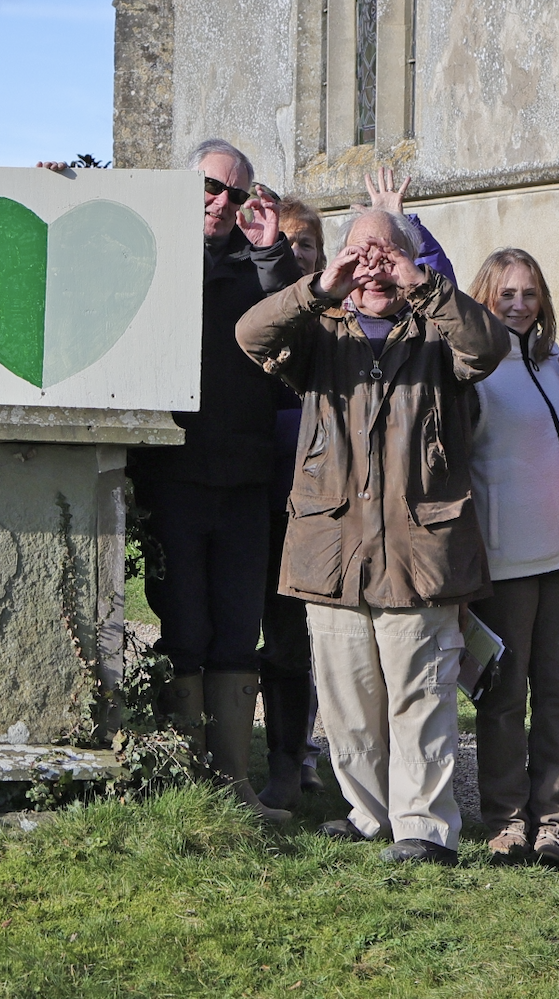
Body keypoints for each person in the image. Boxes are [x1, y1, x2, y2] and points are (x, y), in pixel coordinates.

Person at [237, 208, 511, 863]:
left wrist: (422, 284)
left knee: (421, 697)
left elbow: (489, 347)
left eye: (387, 253)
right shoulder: (318, 334)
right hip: (331, 551)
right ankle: (371, 816)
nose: (374, 266)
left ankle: (424, 829)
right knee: (349, 704)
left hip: (421, 550)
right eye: (361, 252)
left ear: (411, 262)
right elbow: (251, 335)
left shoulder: (438, 330)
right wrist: (319, 288)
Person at [121, 139, 297, 821]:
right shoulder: (153, 259)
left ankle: (234, 786)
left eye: (235, 192)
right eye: (210, 189)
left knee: (236, 631)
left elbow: (291, 317)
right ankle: (185, 783)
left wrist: (268, 248)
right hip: (175, 474)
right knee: (185, 627)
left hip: (246, 477)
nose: (221, 202)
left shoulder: (258, 268)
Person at [464, 248, 559, 868]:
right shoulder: (473, 372)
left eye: (529, 293)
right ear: (486, 300)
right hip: (506, 558)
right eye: (507, 295)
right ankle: (505, 818)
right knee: (502, 697)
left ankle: (551, 821)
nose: (520, 304)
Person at [254, 194, 325, 812]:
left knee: (290, 644)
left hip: (312, 511)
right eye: (285, 244)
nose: (293, 254)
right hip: (257, 499)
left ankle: (291, 758)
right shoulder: (263, 310)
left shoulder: (336, 321)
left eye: (304, 245)